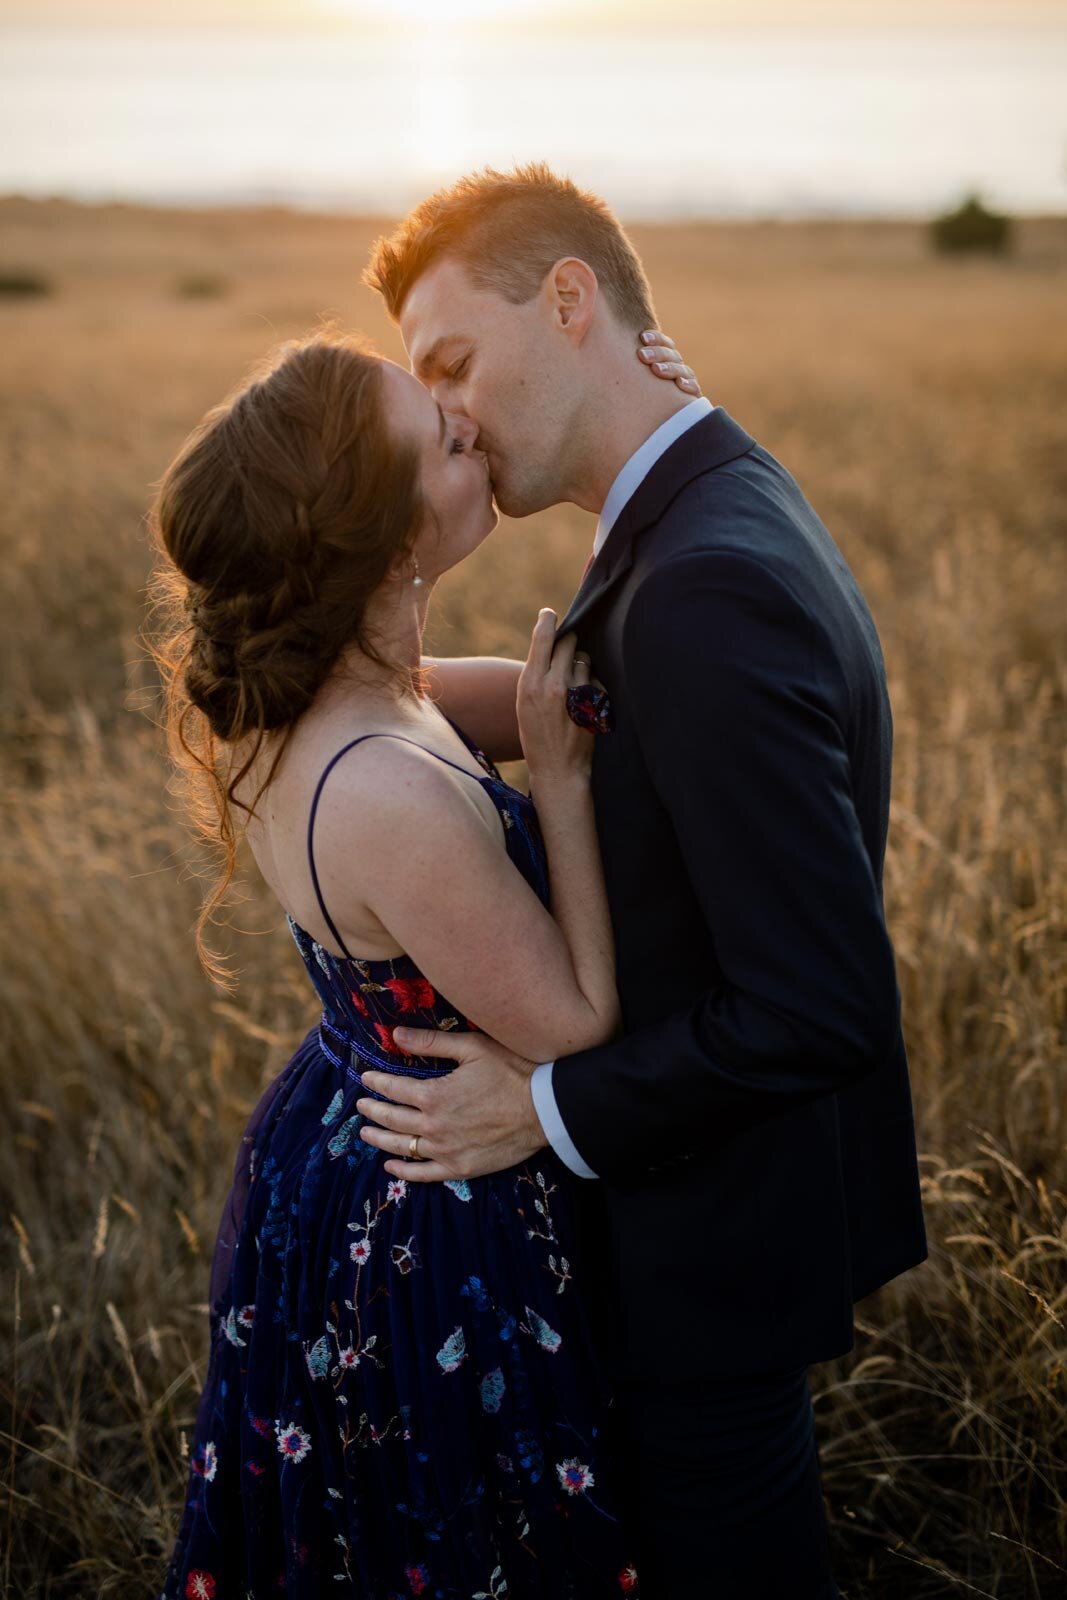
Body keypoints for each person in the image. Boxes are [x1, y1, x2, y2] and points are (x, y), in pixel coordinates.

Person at [353, 161, 930, 1600]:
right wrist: (340, 673)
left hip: (711, 1248)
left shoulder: (703, 582)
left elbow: (819, 1003)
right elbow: (614, 710)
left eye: (452, 363)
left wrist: (538, 1108)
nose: (447, 413)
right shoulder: (693, 492)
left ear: (567, 304)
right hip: (715, 1229)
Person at [149, 319, 694, 1598]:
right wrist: (555, 789)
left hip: (363, 1133)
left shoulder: (367, 688)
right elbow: (571, 1020)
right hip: (431, 1198)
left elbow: (572, 690)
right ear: (390, 542)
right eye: (438, 436)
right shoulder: (382, 783)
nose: (467, 424)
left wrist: (639, 431)